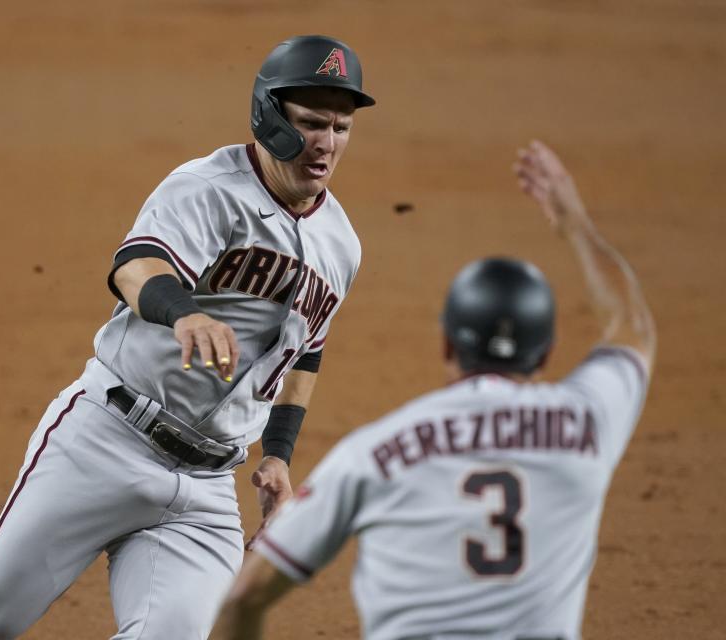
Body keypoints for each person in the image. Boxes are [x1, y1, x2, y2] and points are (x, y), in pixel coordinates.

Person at [0, 34, 376, 640]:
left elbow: (306, 350)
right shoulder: (207, 187)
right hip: (109, 439)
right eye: (312, 123)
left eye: (340, 127)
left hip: (206, 491)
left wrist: (279, 457)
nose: (327, 144)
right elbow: (137, 264)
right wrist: (183, 312)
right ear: (270, 116)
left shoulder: (344, 244)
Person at [213, 141, 656, 640]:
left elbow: (245, 598)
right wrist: (573, 220)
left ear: (447, 344)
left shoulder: (374, 452)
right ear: (548, 352)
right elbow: (633, 328)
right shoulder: (588, 422)